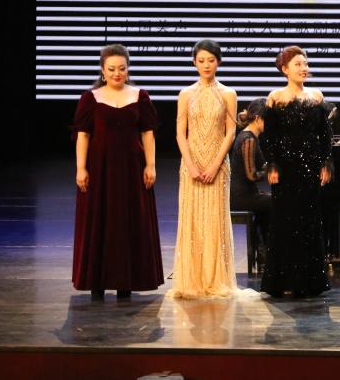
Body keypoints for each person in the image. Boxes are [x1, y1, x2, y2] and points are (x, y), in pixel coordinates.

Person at [72, 44, 162, 300]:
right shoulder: (90, 98)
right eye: (111, 69)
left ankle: (126, 282)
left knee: (129, 220)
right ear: (102, 70)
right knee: (99, 221)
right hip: (99, 169)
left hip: (132, 170)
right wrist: (81, 168)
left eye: (122, 68)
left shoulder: (140, 96)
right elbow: (83, 135)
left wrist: (150, 165)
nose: (117, 73)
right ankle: (97, 282)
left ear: (128, 69)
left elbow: (147, 133)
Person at [260, 46, 333, 298]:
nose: (304, 68)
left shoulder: (316, 96)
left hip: (310, 169)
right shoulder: (276, 97)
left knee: (309, 222)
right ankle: (283, 281)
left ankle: (308, 282)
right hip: (285, 171)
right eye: (298, 64)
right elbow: (268, 137)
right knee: (284, 222)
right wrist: (272, 165)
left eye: (305, 63)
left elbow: (325, 135)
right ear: (285, 69)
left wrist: (325, 163)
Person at [169, 40, 238, 299]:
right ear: (194, 63)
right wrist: (190, 164)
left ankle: (215, 279)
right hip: (191, 165)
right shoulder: (186, 94)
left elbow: (230, 132)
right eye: (201, 61)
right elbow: (180, 132)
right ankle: (192, 280)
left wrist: (215, 164)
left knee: (215, 222)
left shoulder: (228, 93)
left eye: (211, 60)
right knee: (192, 221)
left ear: (218, 62)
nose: (206, 65)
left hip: (218, 165)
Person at [230, 98, 272, 265]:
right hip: (240, 196)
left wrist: (272, 165)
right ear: (257, 118)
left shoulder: (252, 136)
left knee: (267, 203)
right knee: (275, 202)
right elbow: (252, 175)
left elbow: (262, 164)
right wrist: (270, 171)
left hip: (246, 193)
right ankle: (265, 249)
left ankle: (263, 250)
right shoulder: (248, 139)